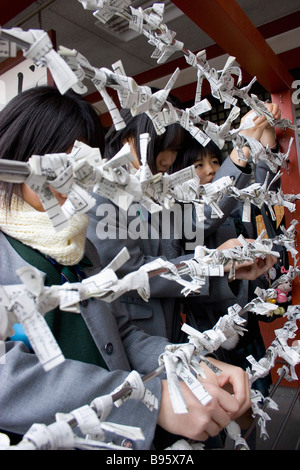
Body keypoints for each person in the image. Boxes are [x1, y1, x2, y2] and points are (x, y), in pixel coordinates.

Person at [0, 86, 251, 450]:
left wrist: (188, 363)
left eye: (82, 170)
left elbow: (119, 332)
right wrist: (144, 401)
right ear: (18, 157)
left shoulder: (80, 248)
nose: (73, 187)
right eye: (60, 168)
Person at [88, 105, 277, 342]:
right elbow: (130, 270)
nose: (169, 159)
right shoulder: (99, 192)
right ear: (128, 138)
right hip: (133, 337)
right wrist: (213, 262)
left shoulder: (152, 186)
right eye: (163, 147)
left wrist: (226, 268)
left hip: (172, 332)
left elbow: (199, 218)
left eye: (175, 149)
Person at [173, 103, 285, 397]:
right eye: (199, 165)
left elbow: (257, 189)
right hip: (213, 331)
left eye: (213, 160)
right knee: (232, 402)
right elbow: (211, 212)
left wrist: (266, 140)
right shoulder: (181, 213)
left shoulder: (230, 196)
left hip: (247, 313)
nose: (210, 170)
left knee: (260, 391)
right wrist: (244, 148)